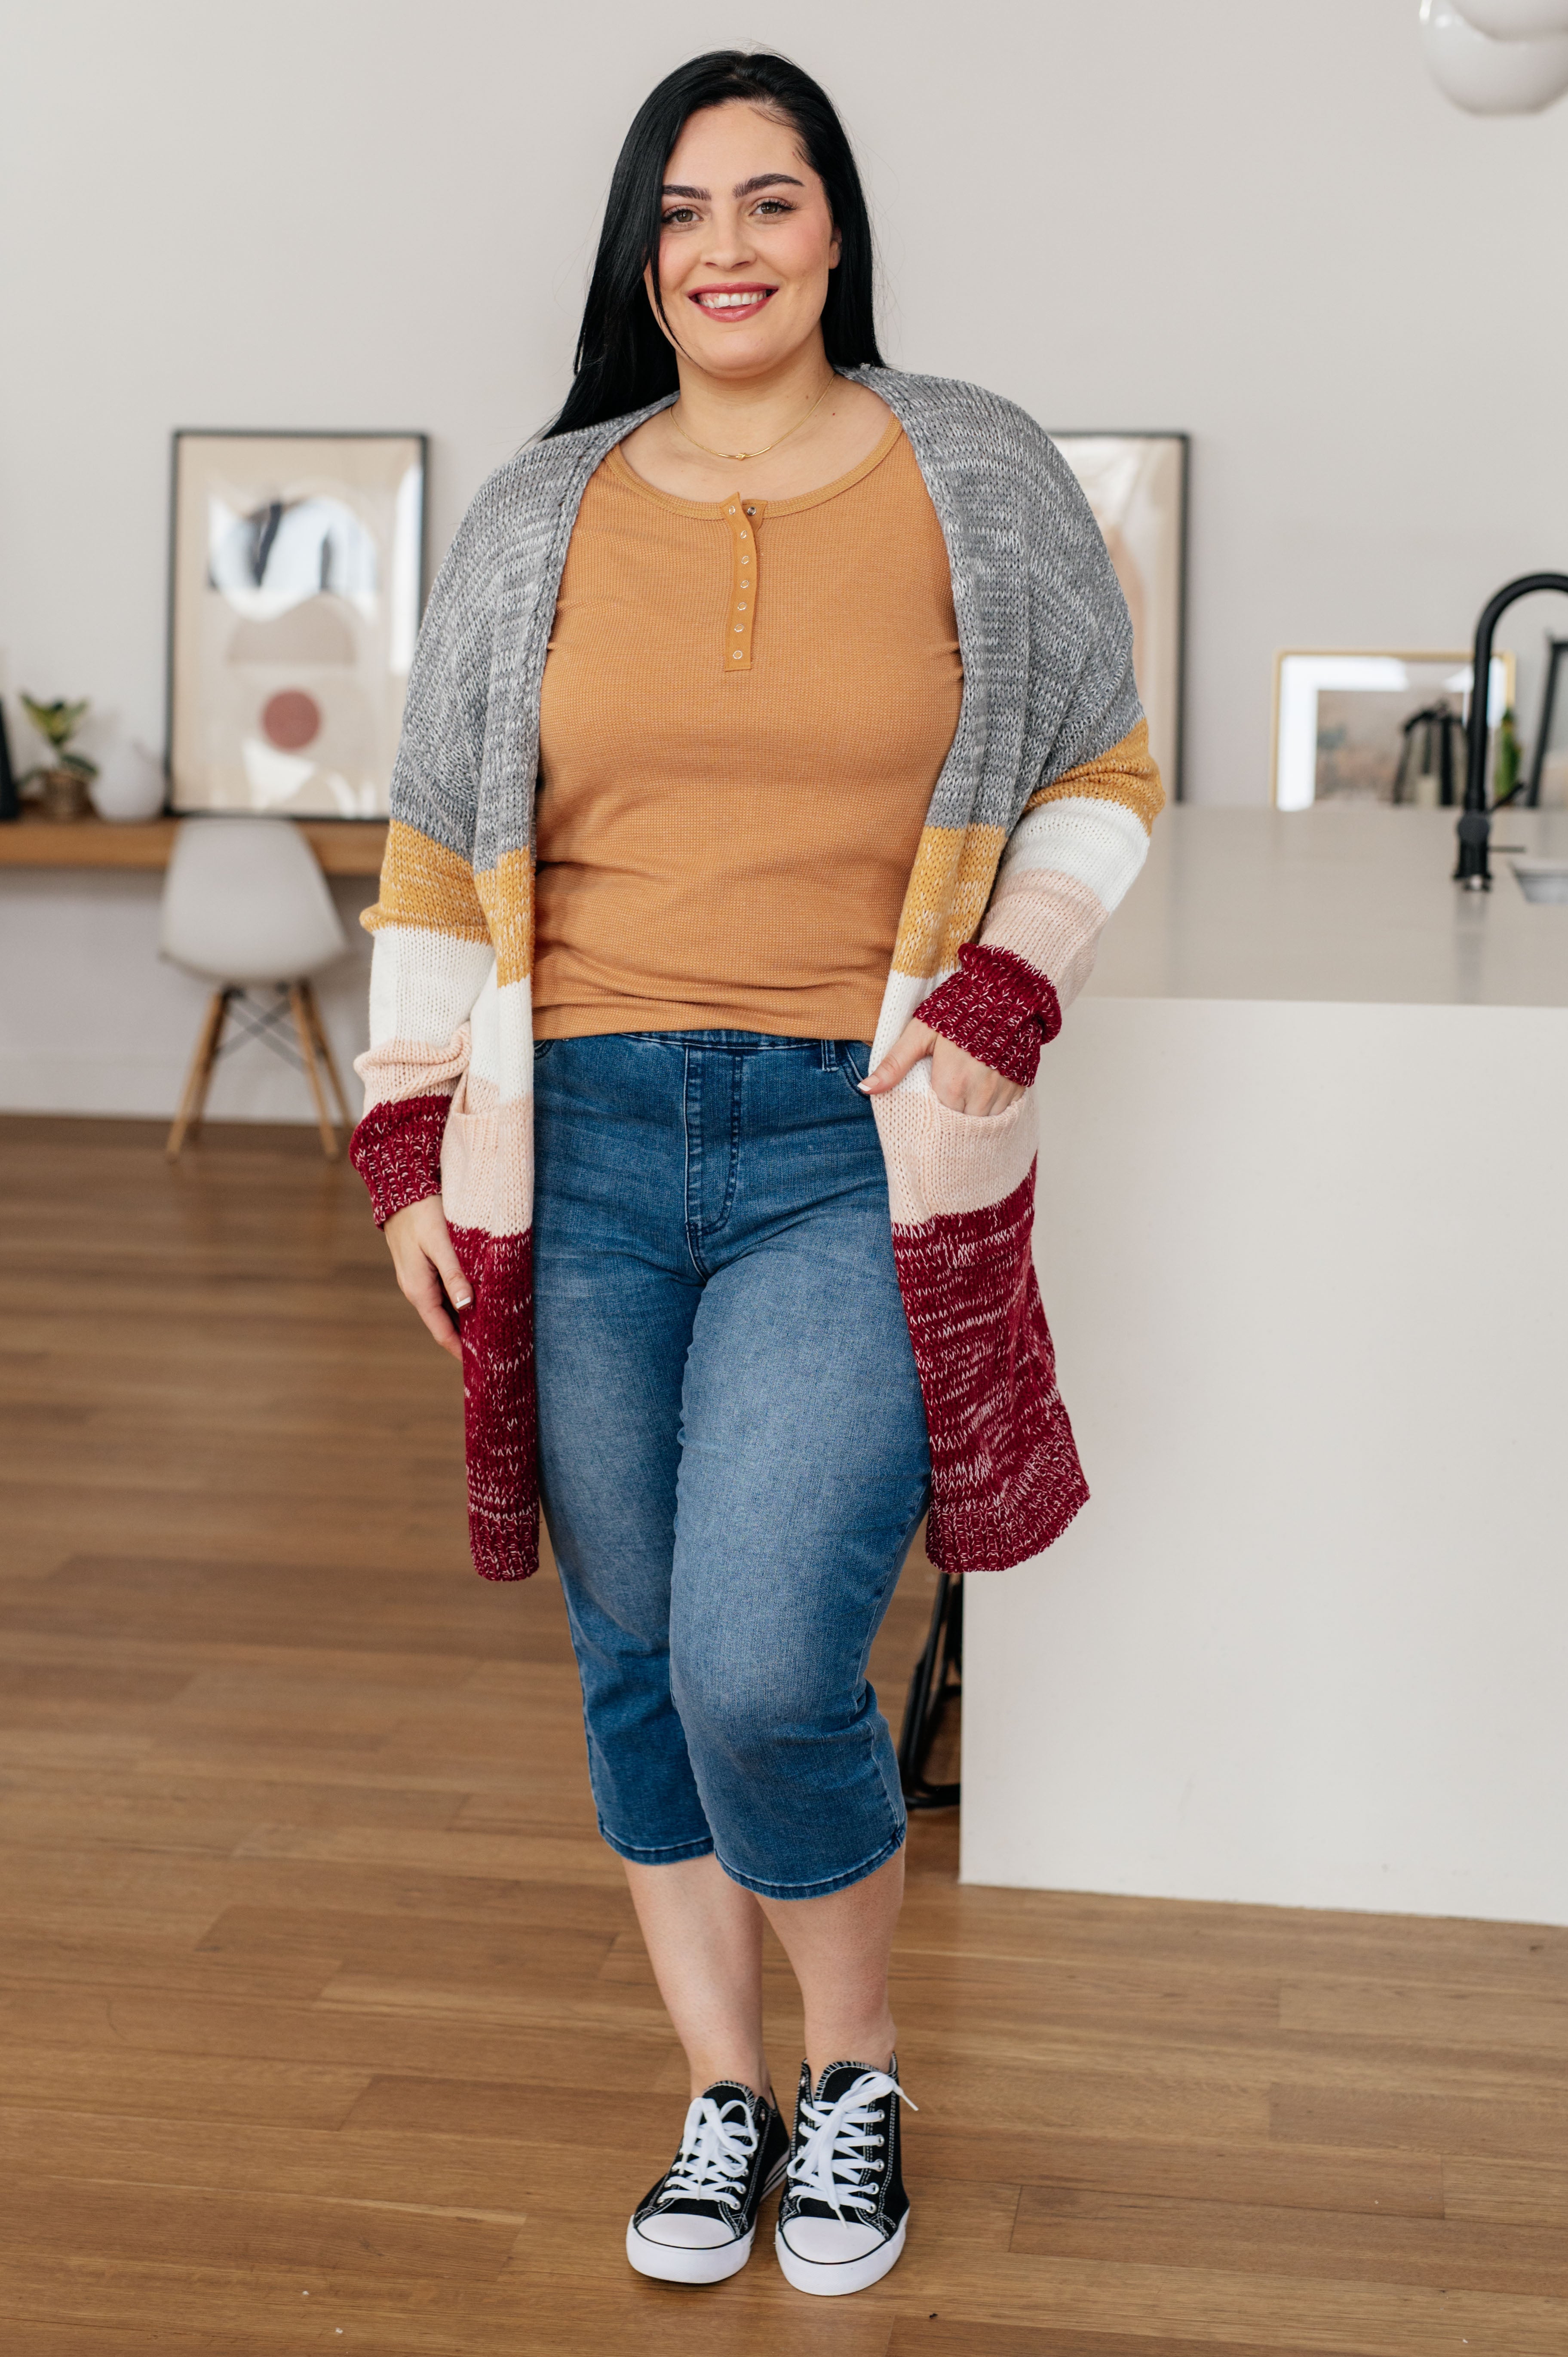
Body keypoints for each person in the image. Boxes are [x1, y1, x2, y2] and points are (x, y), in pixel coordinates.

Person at [349, 47, 1162, 2302]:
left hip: (850, 1142)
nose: (729, 246)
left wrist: (1007, 981)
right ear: (642, 252)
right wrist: (411, 1133)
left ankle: (857, 2069)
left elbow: (1105, 763)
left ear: (835, 234)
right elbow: (433, 839)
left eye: (773, 202)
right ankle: (725, 2103)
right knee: (631, 1658)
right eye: (688, 209)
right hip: (574, 1138)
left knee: (758, 1657)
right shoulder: (541, 512)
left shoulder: (970, 470)